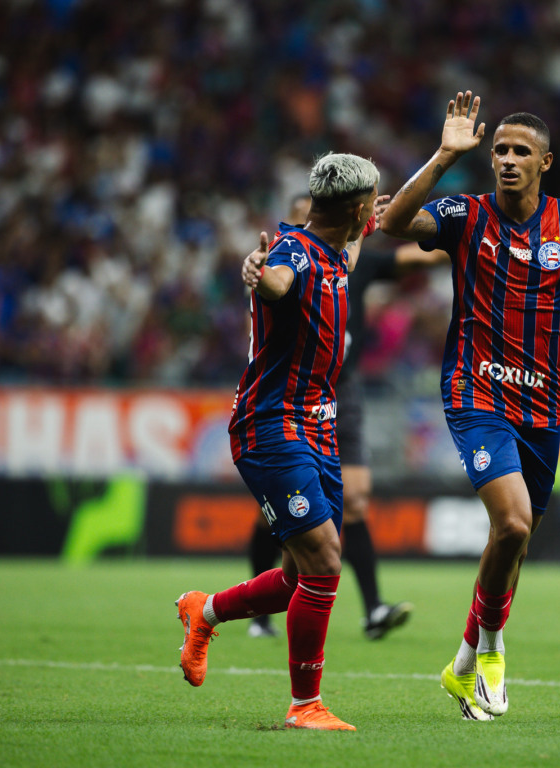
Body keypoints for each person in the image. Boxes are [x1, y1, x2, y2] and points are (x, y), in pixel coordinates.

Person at [380, 91, 560, 721]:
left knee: (511, 543)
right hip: (476, 391)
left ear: (545, 162)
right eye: (500, 150)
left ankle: (463, 664)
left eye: (522, 151)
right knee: (513, 524)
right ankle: (492, 653)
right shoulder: (465, 214)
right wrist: (444, 156)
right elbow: (392, 224)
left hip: (542, 403)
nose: (509, 160)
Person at [174, 152, 379, 732]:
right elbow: (277, 281)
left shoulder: (338, 251)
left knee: (297, 577)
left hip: (317, 427)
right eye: (369, 207)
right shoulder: (293, 251)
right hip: (272, 427)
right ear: (356, 209)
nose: (372, 216)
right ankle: (304, 705)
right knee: (325, 561)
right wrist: (257, 275)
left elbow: (361, 237)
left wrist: (443, 158)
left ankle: (205, 611)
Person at [247, 196, 445, 641]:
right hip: (288, 400)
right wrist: (260, 275)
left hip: (341, 393)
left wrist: (469, 239)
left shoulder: (351, 259)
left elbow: (411, 256)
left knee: (351, 504)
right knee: (283, 525)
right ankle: (254, 615)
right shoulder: (286, 258)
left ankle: (372, 608)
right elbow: (271, 292)